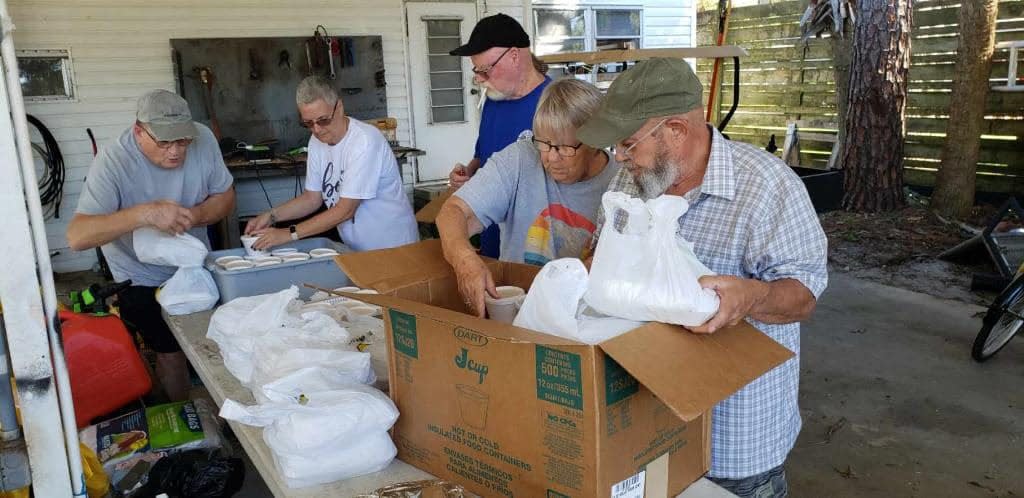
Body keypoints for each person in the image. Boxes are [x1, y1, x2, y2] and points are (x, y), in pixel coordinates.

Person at [577, 58, 828, 498]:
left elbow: (804, 297)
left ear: (675, 130)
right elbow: (600, 254)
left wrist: (750, 297)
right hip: (649, 428)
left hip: (734, 441)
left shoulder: (768, 186)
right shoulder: (630, 181)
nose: (619, 156)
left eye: (628, 144)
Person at [67, 89, 236, 402]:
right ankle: (185, 418)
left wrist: (197, 214)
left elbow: (225, 197)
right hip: (138, 273)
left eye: (182, 141)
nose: (175, 152)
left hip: (192, 267)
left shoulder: (203, 138)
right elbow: (78, 236)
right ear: (138, 131)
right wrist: (144, 213)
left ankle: (223, 412)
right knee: (169, 351)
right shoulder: (114, 160)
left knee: (215, 340)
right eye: (164, 142)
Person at [438, 78, 620, 317]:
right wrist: (465, 261)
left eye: (565, 148)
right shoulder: (521, 158)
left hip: (586, 321)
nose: (550, 158)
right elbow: (454, 213)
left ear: (595, 143)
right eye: (544, 143)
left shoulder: (622, 182)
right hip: (516, 315)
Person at [245, 76, 417, 252]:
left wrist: (289, 234)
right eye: (308, 123)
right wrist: (271, 216)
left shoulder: (364, 141)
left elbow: (346, 210)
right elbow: (312, 199)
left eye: (323, 120)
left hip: (394, 247)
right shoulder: (316, 142)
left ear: (339, 107)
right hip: (358, 250)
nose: (317, 129)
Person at [447, 13, 551, 259]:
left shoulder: (554, 104)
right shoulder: (494, 101)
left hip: (532, 248)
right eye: (477, 71)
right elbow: (483, 156)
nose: (480, 79)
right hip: (492, 240)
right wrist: (469, 172)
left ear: (514, 56)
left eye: (485, 70)